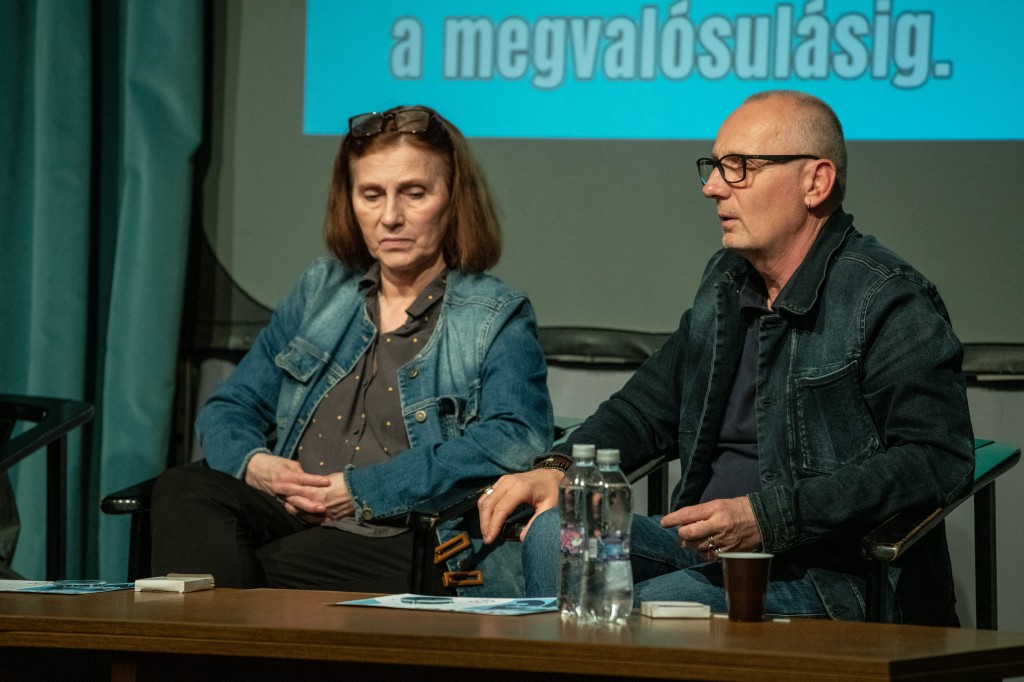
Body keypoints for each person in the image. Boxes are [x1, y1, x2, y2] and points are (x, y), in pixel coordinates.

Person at [477, 90, 974, 624]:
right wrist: (559, 468)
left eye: (739, 167)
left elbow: (936, 459)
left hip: (830, 574)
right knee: (557, 532)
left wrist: (768, 516)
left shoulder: (886, 297)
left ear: (815, 182)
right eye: (713, 166)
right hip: (706, 550)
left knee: (636, 606)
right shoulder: (727, 281)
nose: (713, 187)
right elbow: (644, 408)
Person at [151, 105, 553, 595]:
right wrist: (256, 465)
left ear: (453, 199)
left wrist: (363, 492)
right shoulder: (321, 290)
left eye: (414, 193)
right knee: (181, 489)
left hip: (410, 534)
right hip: (295, 513)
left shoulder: (494, 313)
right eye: (371, 195)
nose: (390, 217)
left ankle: (217, 638)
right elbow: (229, 406)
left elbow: (515, 437)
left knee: (251, 569)